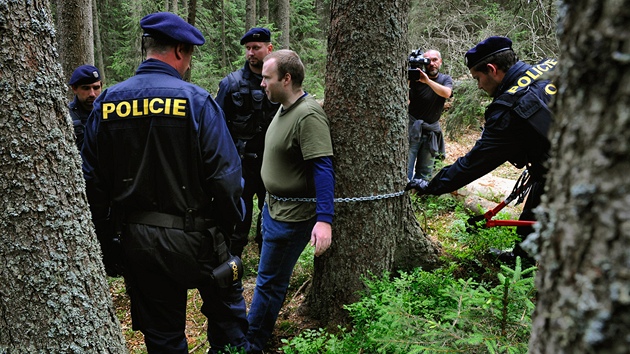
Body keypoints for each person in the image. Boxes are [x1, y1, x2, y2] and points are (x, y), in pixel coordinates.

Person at [81, 12, 251, 353]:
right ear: (178, 51)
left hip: (138, 242)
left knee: (162, 337)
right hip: (201, 240)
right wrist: (232, 234)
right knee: (229, 323)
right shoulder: (197, 102)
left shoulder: (107, 104)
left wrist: (108, 242)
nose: (188, 64)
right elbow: (227, 179)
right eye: (189, 55)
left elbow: (92, 183)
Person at [406, 36, 557, 266]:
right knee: (537, 198)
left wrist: (432, 185)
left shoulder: (508, 110)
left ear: (492, 69)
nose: (478, 85)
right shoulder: (550, 66)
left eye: (478, 78)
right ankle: (522, 260)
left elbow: (474, 162)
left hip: (579, 171)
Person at [247, 49, 334, 353]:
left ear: (286, 79)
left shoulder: (308, 115)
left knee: (268, 284)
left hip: (292, 218)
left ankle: (251, 344)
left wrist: (324, 220)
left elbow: (322, 167)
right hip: (274, 210)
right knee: (266, 280)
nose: (262, 84)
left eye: (267, 78)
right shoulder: (286, 108)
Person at [215, 27, 280, 258]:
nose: (251, 53)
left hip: (271, 165)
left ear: (269, 49)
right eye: (248, 49)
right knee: (237, 223)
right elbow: (217, 126)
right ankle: (232, 270)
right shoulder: (231, 84)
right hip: (240, 164)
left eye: (256, 48)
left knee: (269, 221)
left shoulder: (280, 81)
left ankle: (266, 268)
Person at [407, 49, 453, 180]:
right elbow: (404, 100)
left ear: (440, 62)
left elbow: (446, 93)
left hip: (431, 131)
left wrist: (427, 81)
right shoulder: (415, 80)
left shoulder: (445, 79)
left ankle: (420, 196)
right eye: (428, 61)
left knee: (425, 170)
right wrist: (409, 78)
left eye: (435, 60)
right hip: (412, 130)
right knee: (406, 167)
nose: (431, 64)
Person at [68, 64, 102, 150]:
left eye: (96, 88)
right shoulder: (66, 115)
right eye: (86, 88)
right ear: (74, 88)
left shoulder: (109, 111)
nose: (92, 94)